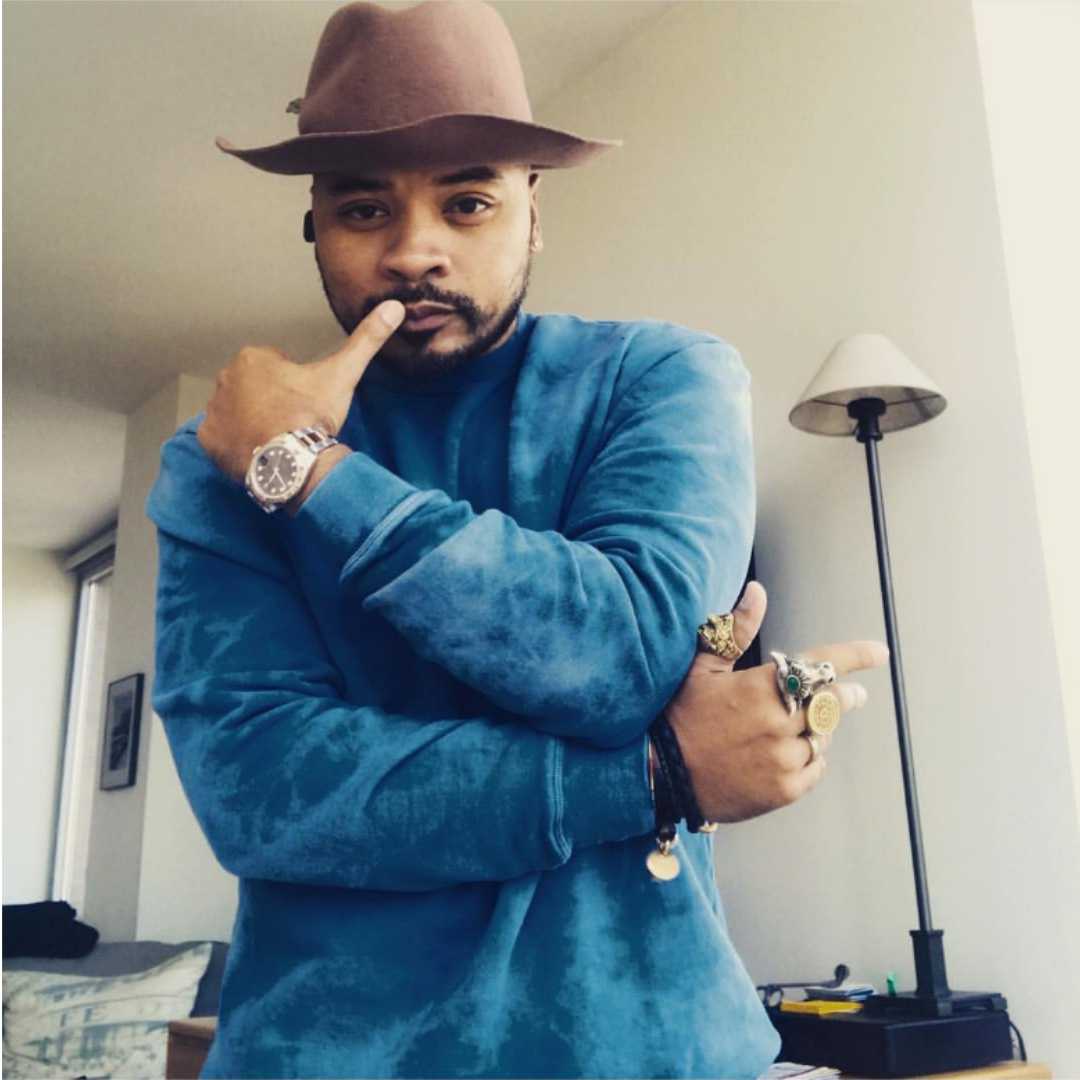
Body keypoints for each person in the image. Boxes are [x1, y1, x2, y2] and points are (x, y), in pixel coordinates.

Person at [146, 2, 887, 1077]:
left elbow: (622, 655)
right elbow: (264, 794)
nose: (415, 251)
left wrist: (311, 476)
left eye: (469, 202)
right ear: (312, 224)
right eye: (364, 207)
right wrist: (655, 776)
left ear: (533, 214)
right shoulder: (217, 461)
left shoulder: (659, 378)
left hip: (644, 1047)